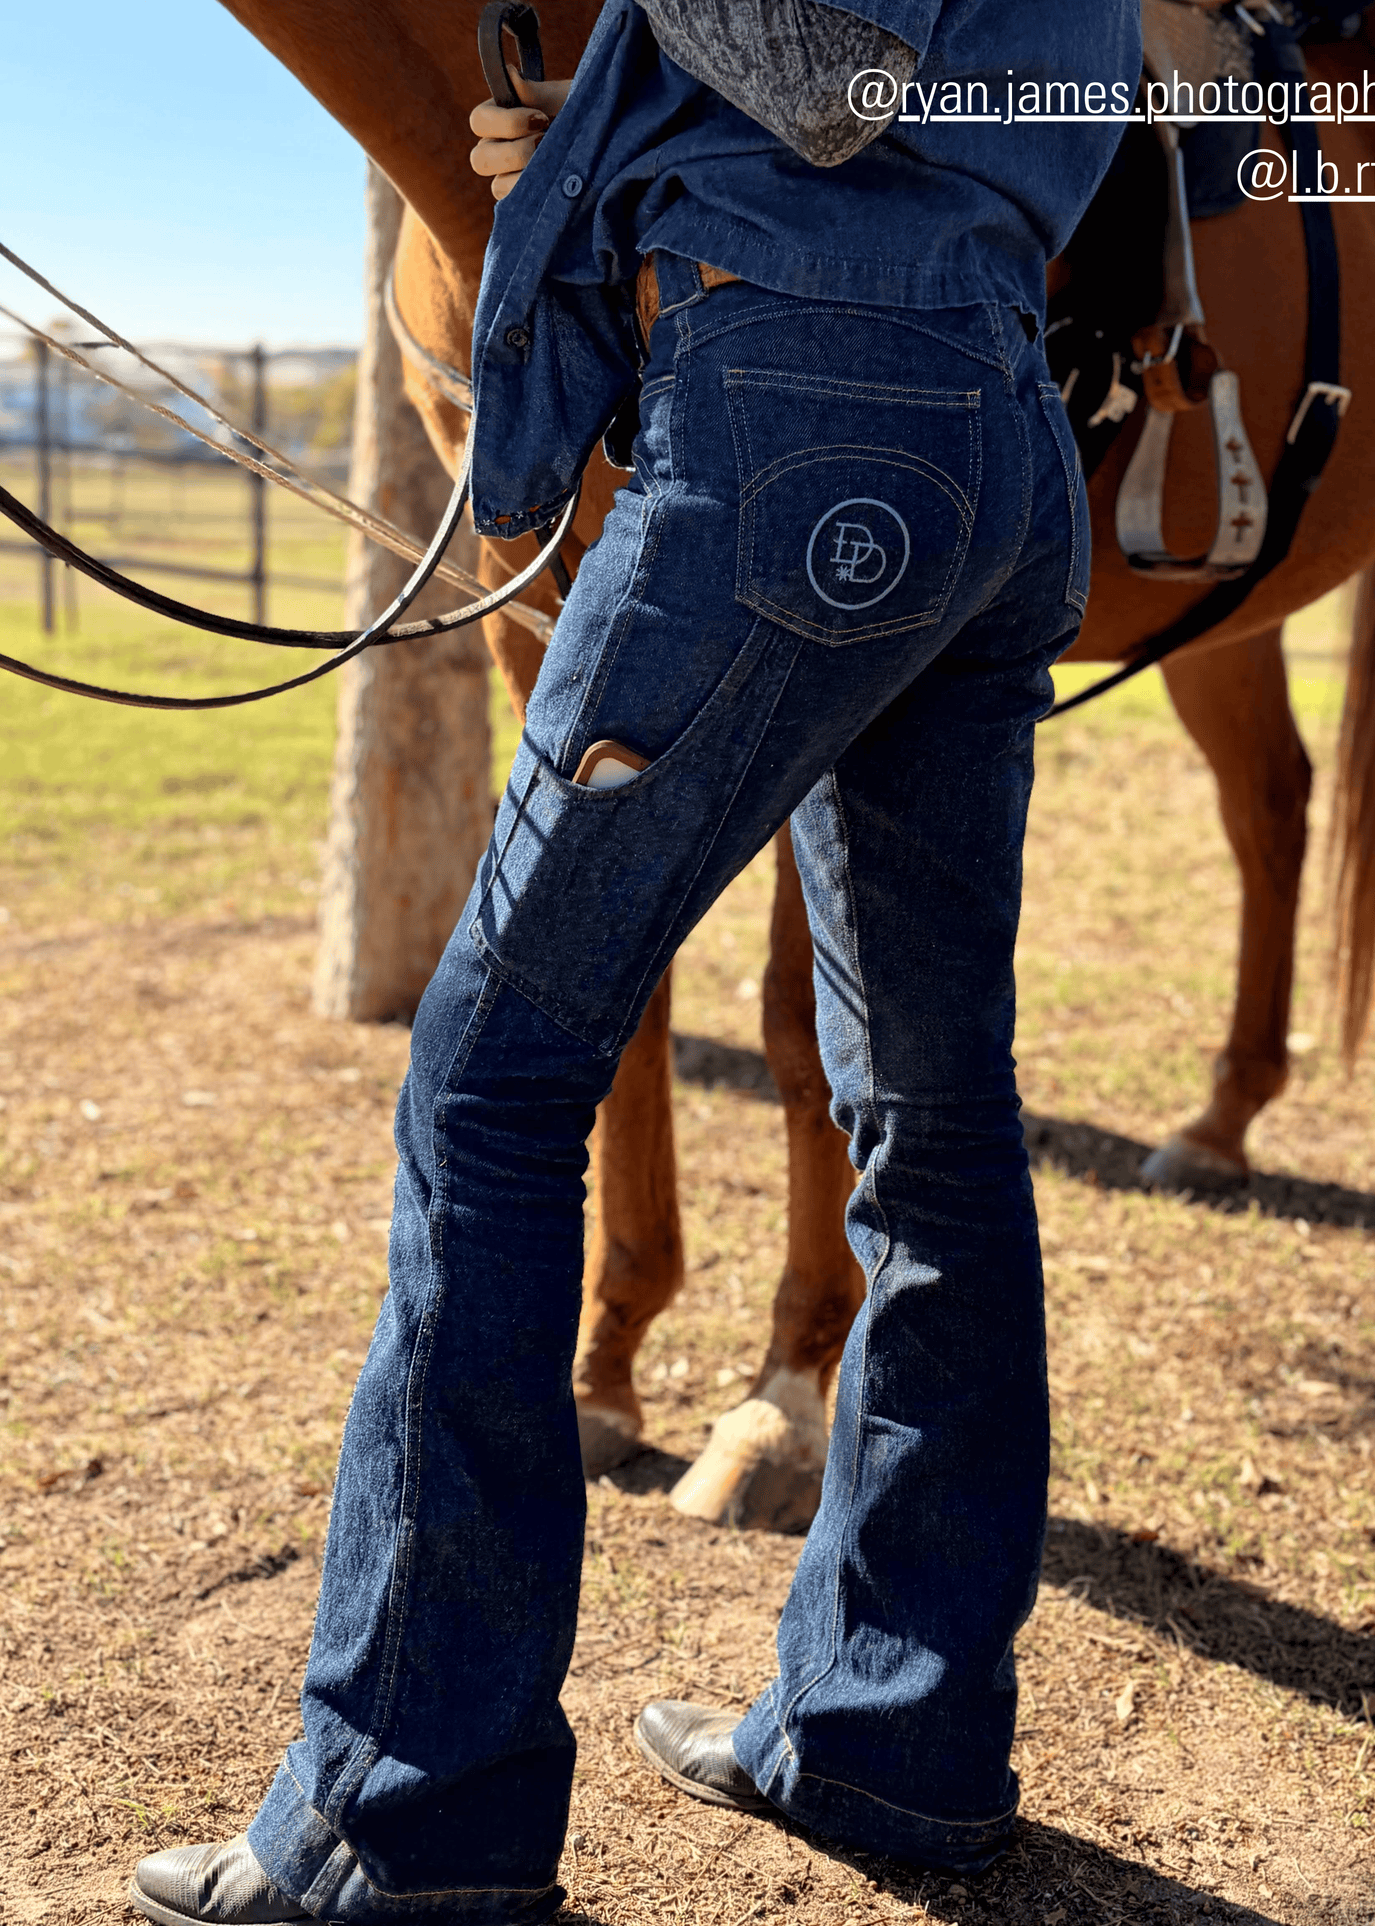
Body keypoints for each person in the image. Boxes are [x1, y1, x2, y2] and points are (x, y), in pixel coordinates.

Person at [128, 3, 1140, 1922]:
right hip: (999, 428)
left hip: (793, 405)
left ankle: (405, 1818)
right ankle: (894, 1734)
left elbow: (821, 62)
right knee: (937, 1116)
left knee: (490, 1088)